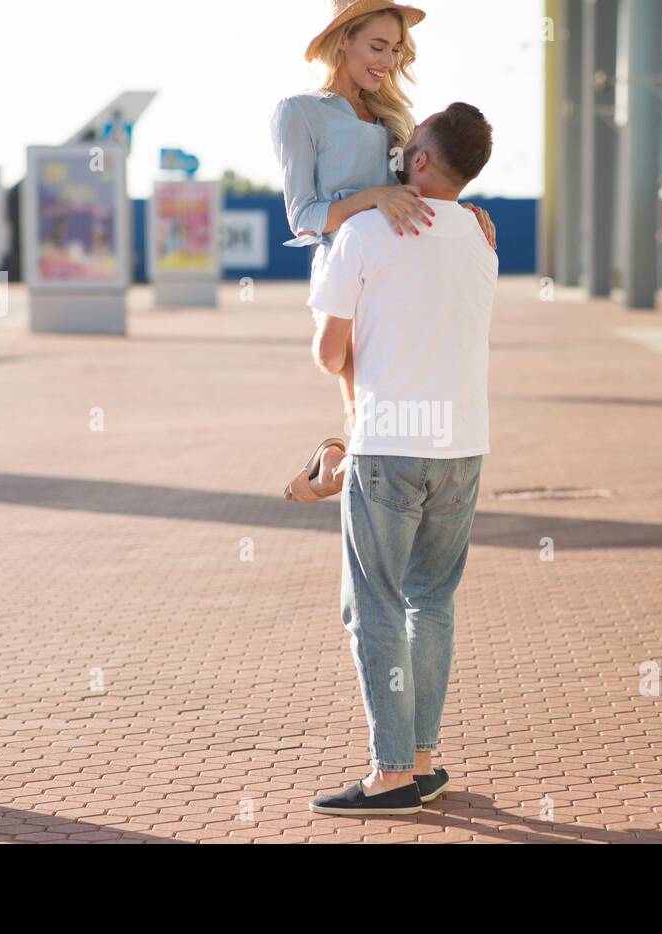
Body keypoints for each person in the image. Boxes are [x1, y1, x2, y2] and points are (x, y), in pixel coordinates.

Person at [305, 103, 497, 815]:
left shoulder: (362, 230)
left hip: (388, 444)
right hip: (463, 445)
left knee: (376, 607)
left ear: (419, 161)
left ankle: (390, 776)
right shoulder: (482, 237)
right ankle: (420, 759)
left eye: (408, 144)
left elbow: (330, 356)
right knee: (431, 602)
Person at [271, 0, 496, 503]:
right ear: (343, 40)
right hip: (347, 266)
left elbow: (420, 184)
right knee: (362, 411)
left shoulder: (395, 116)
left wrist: (467, 211)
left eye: (396, 50)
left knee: (387, 415)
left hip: (402, 264)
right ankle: (336, 468)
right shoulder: (298, 112)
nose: (388, 61)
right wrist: (371, 198)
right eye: (378, 46)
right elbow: (303, 216)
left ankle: (335, 468)